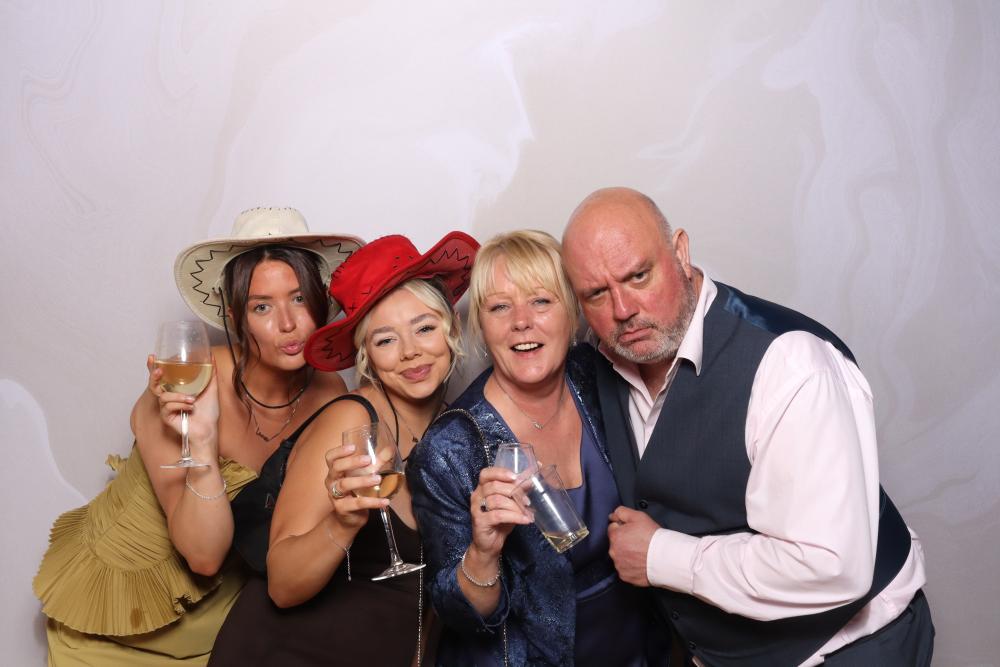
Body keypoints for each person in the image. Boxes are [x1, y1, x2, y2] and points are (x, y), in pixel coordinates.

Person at [560, 186, 934, 667]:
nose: (623, 309)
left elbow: (830, 566)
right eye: (596, 293)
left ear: (680, 251)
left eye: (638, 276)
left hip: (851, 650)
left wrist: (660, 556)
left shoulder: (793, 366)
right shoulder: (604, 357)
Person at [33, 207, 361, 665]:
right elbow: (203, 556)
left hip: (220, 626)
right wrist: (202, 440)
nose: (287, 323)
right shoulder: (185, 386)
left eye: (300, 298)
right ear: (235, 316)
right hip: (111, 626)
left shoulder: (329, 393)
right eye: (262, 306)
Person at [207, 231, 478, 666]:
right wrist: (343, 522)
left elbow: (429, 589)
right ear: (365, 353)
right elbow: (282, 584)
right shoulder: (350, 421)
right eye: (386, 340)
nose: (411, 352)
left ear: (453, 329)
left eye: (425, 328)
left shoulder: (457, 431)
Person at [409, 230, 669, 666]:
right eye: (499, 307)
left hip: (637, 643)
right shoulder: (449, 449)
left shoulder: (597, 375)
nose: (521, 322)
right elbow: (461, 616)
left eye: (541, 301)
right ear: (481, 326)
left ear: (573, 311)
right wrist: (484, 552)